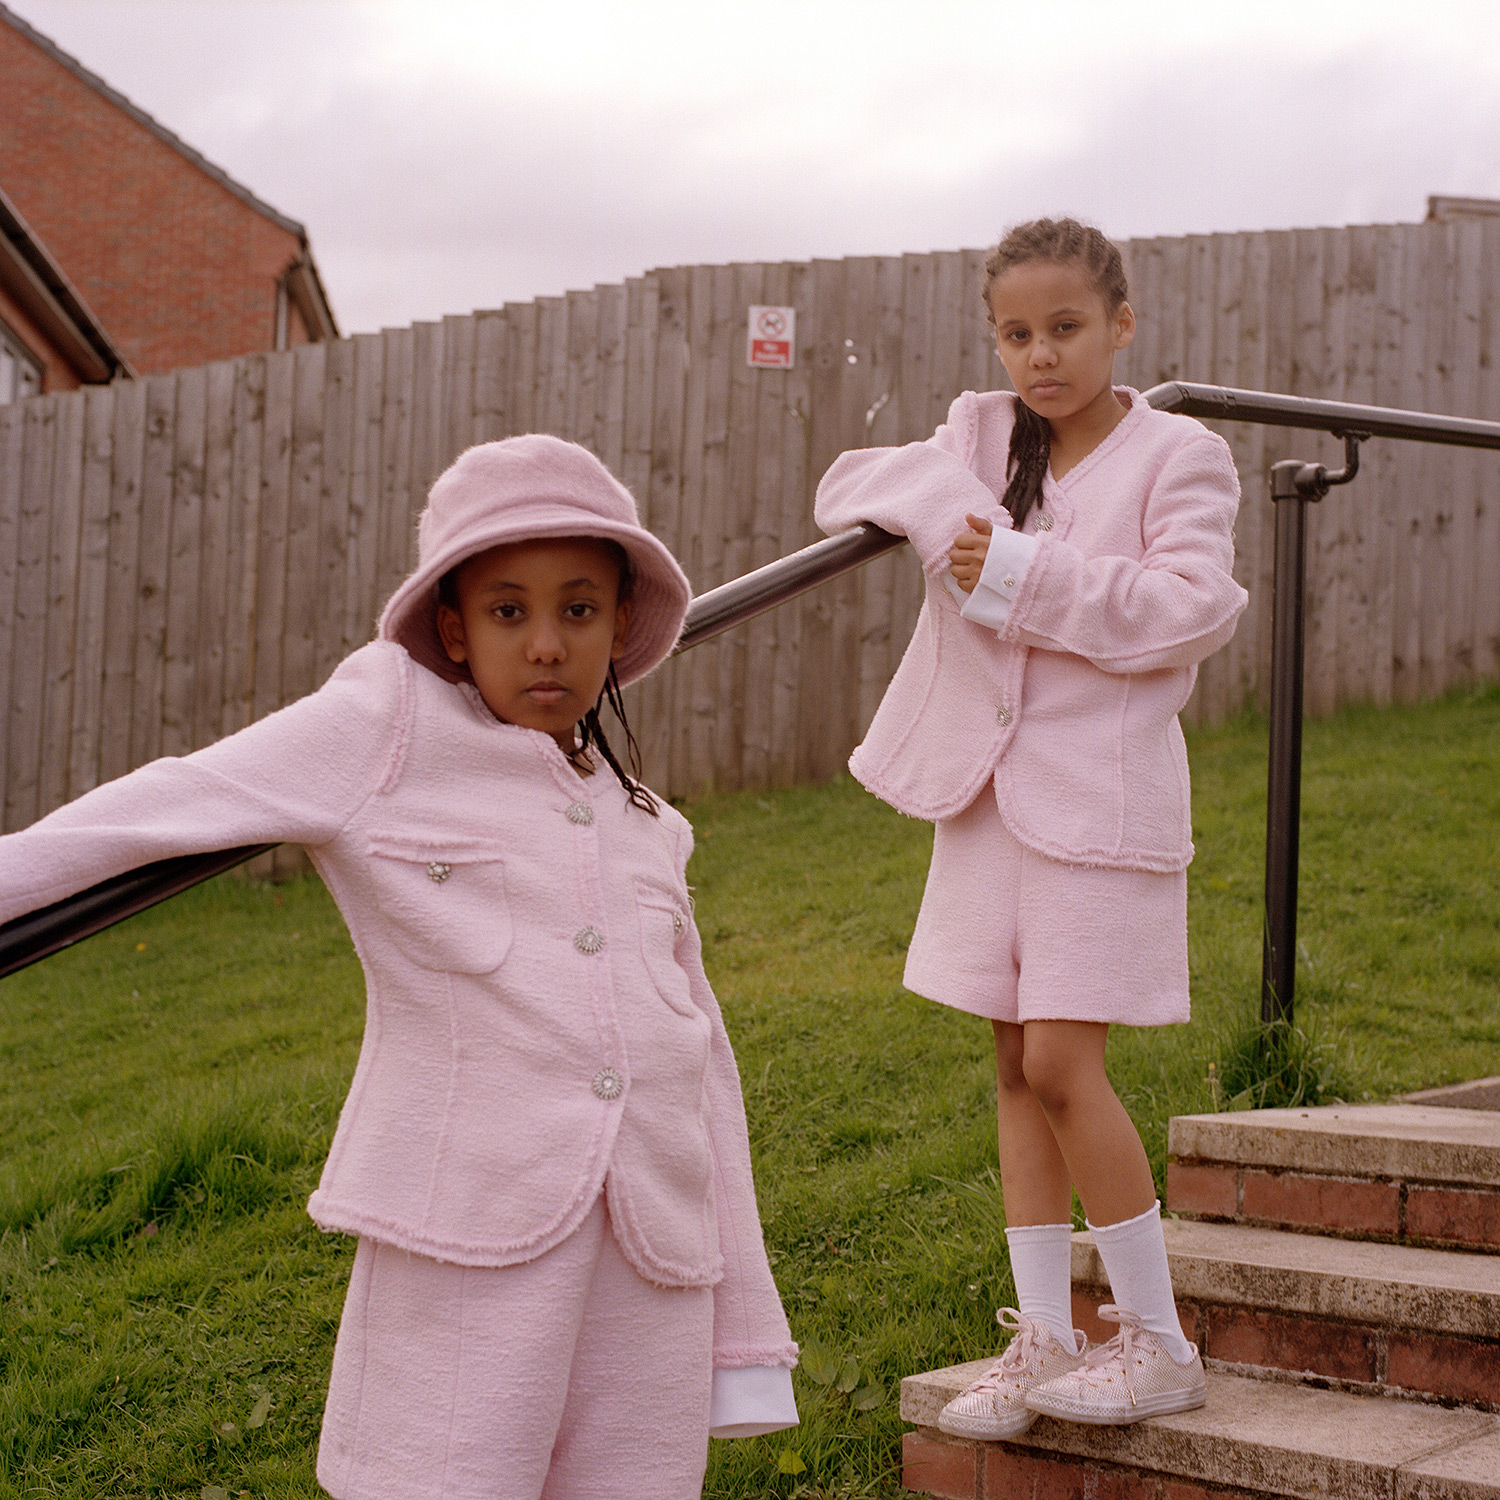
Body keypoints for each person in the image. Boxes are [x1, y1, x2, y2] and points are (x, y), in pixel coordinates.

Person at [0, 434, 798, 1499]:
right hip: (468, 1233)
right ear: (455, 629)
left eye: (578, 609)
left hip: (652, 1255)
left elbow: (704, 1069)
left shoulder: (650, 824)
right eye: (509, 610)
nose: (548, 644)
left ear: (620, 626)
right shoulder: (387, 725)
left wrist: (743, 1333)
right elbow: (172, 798)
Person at [814, 218, 1247, 1434]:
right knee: (1011, 1066)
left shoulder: (1180, 454)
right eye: (1017, 333)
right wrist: (953, 514)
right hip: (989, 799)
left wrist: (1009, 573)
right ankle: (1049, 1338)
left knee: (1062, 1061)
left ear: (1122, 322)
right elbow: (855, 482)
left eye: (1065, 328)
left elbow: (1190, 609)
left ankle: (1157, 1340)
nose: (1041, 356)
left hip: (1100, 802)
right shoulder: (986, 435)